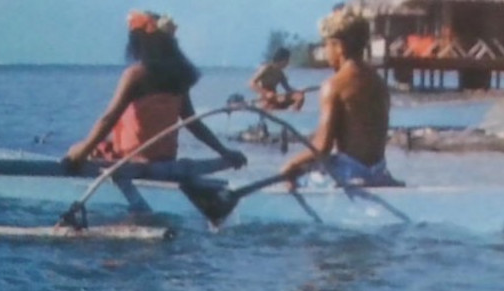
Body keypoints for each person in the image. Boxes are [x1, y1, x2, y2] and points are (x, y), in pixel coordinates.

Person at [63, 10, 247, 170]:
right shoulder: (178, 76)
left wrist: (81, 153)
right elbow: (193, 124)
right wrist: (224, 151)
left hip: (131, 158)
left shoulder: (135, 75)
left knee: (76, 148)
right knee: (100, 145)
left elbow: (108, 119)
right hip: (165, 158)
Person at [280, 11, 397, 187]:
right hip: (378, 171)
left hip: (351, 173)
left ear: (338, 47)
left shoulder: (334, 85)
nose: (325, 52)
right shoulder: (379, 82)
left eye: (326, 45)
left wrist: (292, 165)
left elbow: (322, 148)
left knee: (294, 175)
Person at [248, 47, 306, 111]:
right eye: (287, 60)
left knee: (299, 97)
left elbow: (288, 89)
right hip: (264, 99)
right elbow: (251, 83)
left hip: (275, 98)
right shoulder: (266, 68)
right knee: (270, 105)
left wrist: (298, 91)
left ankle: (293, 115)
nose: (288, 63)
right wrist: (266, 93)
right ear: (281, 60)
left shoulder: (280, 73)